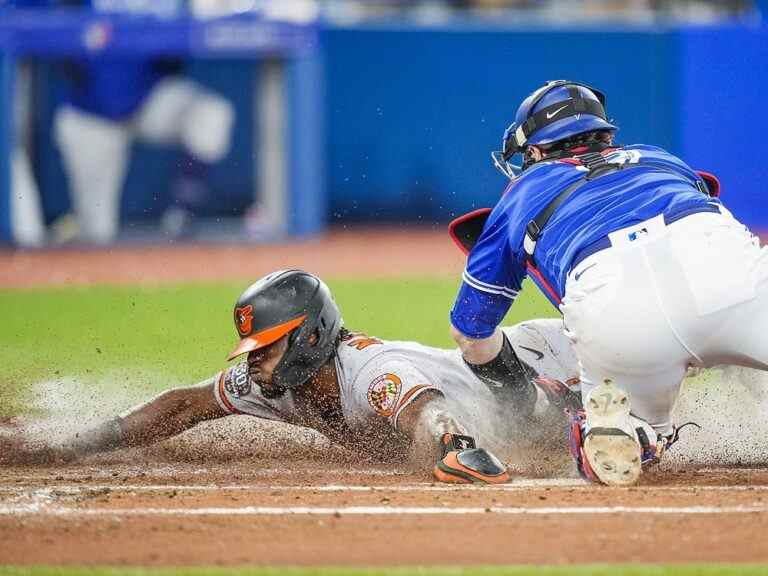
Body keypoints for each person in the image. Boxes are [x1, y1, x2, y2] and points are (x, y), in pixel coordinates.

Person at [448, 79, 768, 486]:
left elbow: (469, 332)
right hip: (722, 268)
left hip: (615, 309)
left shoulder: (520, 194)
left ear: (534, 150)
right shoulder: (659, 159)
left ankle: (635, 430)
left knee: (631, 419)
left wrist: (519, 393)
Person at [2, 269, 582, 483]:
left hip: (545, 362)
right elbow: (182, 406)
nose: (252, 360)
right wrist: (80, 443)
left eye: (266, 346)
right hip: (526, 389)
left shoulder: (369, 372)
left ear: (308, 339)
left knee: (608, 413)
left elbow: (423, 408)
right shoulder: (274, 385)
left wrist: (454, 445)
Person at [52, 0, 234, 244]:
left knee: (211, 114)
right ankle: (74, 227)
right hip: (90, 116)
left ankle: (182, 215)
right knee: (97, 234)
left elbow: (189, 38)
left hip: (147, 99)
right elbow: (41, 31)